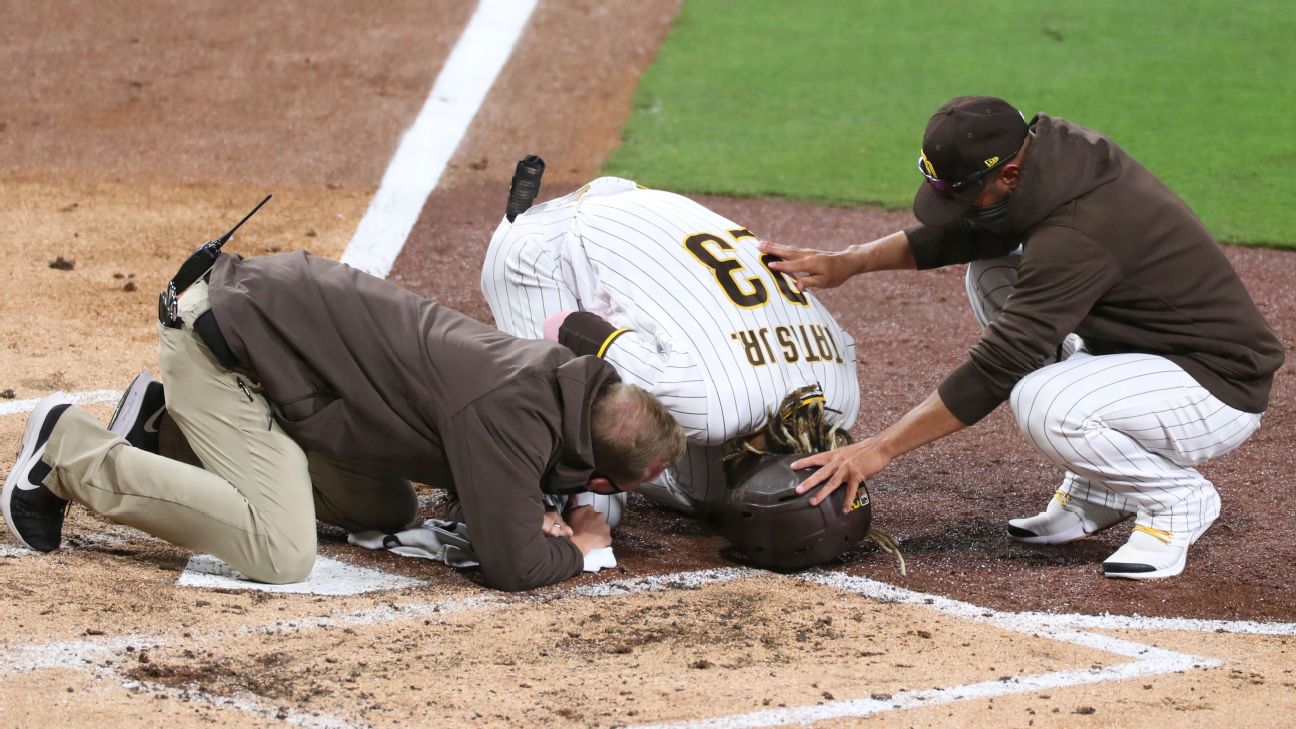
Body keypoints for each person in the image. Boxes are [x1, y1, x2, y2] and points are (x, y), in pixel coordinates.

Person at [761, 96, 1284, 580]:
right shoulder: (1046, 165)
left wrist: (880, 448)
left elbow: (1000, 364)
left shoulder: (1077, 230)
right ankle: (1102, 487)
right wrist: (848, 262)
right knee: (990, 271)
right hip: (1144, 358)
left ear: (1009, 173)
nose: (959, 206)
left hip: (1214, 387)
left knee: (1042, 402)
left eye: (965, 192)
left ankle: (1177, 500)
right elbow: (973, 230)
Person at [3, 249, 685, 591]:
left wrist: (529, 500)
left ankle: (166, 430)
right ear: (596, 470)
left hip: (276, 349)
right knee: (281, 549)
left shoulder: (556, 384)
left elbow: (506, 479)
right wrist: (583, 546)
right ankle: (69, 454)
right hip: (225, 341)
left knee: (382, 505)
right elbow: (511, 561)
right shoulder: (506, 414)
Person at [481, 176, 860, 516]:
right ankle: (488, 492)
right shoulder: (706, 407)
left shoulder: (844, 401)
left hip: (654, 209)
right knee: (584, 484)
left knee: (710, 492)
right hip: (543, 246)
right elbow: (570, 328)